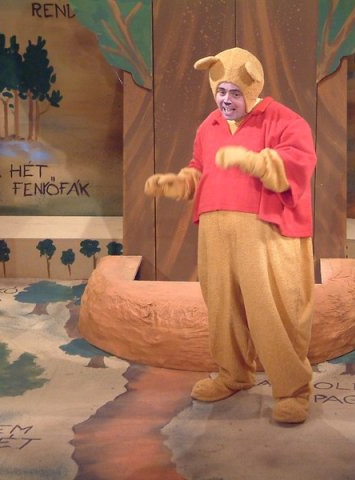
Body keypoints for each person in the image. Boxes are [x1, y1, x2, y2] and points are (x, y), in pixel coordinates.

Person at [144, 47, 316, 424]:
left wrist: (254, 161)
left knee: (273, 311)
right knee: (223, 309)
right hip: (216, 233)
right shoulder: (209, 126)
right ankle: (233, 374)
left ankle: (293, 390)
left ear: (252, 89)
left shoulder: (285, 121)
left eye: (234, 92)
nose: (225, 100)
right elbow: (199, 167)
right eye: (220, 91)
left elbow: (300, 163)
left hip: (266, 235)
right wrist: (180, 183)